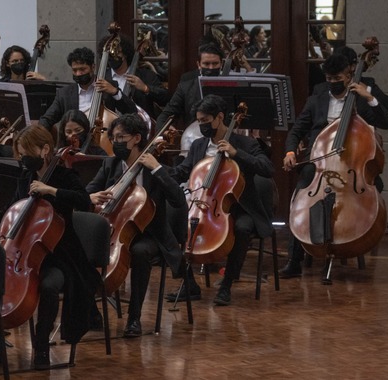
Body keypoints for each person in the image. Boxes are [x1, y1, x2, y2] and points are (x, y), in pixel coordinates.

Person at [0, 125, 100, 369]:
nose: (23, 159)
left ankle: (41, 347)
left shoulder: (65, 176)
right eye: (20, 155)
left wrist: (51, 190)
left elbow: (84, 201)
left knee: (49, 286)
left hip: (60, 256)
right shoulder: (25, 176)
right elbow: (9, 211)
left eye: (26, 153)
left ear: (45, 149)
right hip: (24, 253)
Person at [280, 53, 388, 278]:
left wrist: (369, 98)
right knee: (300, 195)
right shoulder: (317, 98)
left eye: (337, 78)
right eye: (329, 78)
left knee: (371, 191)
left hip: (354, 166)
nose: (332, 82)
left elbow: (386, 122)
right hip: (320, 164)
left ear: (349, 74)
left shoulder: (361, 97)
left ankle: (352, 239)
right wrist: (291, 151)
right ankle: (294, 260)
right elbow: (297, 129)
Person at [164, 94, 274, 305]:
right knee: (169, 223)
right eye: (199, 121)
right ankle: (189, 284)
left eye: (206, 120)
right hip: (204, 204)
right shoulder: (198, 145)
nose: (202, 125)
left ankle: (226, 285)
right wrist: (159, 169)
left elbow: (267, 169)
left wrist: (236, 153)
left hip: (241, 207)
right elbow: (183, 172)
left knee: (241, 229)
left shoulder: (245, 143)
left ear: (220, 117)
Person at [86, 114, 186, 336]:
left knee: (140, 252)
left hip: (149, 234)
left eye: (121, 137)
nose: (115, 142)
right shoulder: (110, 164)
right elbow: (86, 193)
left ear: (137, 138)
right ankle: (92, 312)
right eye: (113, 137)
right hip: (114, 229)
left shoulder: (157, 168)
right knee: (81, 248)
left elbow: (178, 200)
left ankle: (134, 318)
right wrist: (93, 196)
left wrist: (157, 169)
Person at [38, 47, 137, 131]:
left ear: (93, 67)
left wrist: (115, 92)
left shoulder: (109, 85)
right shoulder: (64, 94)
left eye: (82, 69)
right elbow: (47, 119)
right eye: (75, 70)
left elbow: (131, 111)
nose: (78, 73)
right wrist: (37, 132)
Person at [98, 34, 169, 120]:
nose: (112, 57)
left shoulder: (146, 75)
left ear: (125, 54)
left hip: (141, 125)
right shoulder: (102, 77)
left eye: (116, 53)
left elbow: (165, 98)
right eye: (109, 55)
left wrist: (145, 88)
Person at [156, 43, 224, 129]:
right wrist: (165, 131)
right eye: (206, 64)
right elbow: (165, 115)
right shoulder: (185, 87)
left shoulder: (231, 87)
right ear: (199, 65)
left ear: (221, 64)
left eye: (215, 64)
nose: (211, 68)